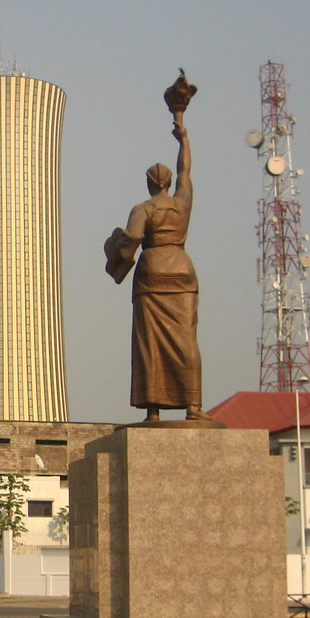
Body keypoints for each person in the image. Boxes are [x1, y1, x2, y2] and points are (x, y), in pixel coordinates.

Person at [107, 120, 211, 423]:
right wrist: (183, 138)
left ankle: (153, 409)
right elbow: (185, 172)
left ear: (150, 183)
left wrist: (115, 249)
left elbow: (133, 238)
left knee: (149, 343)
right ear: (167, 182)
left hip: (152, 274)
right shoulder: (182, 203)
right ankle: (193, 406)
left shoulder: (143, 208)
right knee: (186, 341)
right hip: (182, 270)